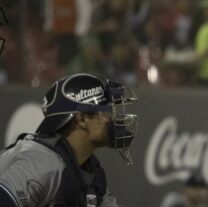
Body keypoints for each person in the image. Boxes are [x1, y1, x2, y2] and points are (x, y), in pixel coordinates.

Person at [0, 73, 138, 206]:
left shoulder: (89, 174)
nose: (112, 119)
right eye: (106, 112)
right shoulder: (43, 162)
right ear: (82, 119)